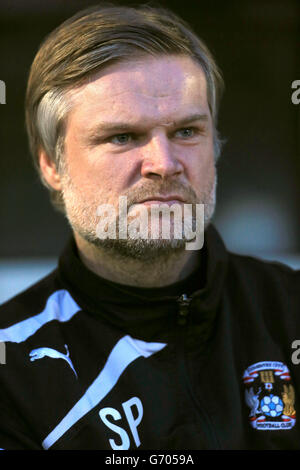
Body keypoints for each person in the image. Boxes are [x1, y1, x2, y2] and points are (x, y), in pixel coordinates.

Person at [0, 3, 299, 451]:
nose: (164, 164)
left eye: (186, 131)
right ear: (51, 164)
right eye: (122, 137)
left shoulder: (288, 312)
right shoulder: (12, 372)